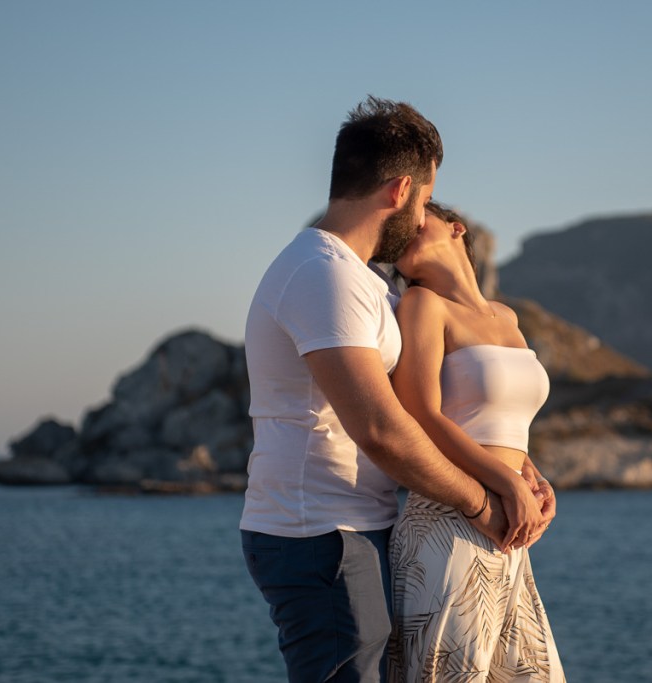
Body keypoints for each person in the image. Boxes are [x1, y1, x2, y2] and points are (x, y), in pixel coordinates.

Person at [239, 96, 552, 683]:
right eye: (426, 198)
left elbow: (450, 406)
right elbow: (383, 429)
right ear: (401, 190)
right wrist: (482, 504)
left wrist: (522, 472)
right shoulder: (323, 274)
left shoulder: (367, 284)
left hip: (359, 525)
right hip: (319, 531)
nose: (425, 212)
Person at [388, 201, 565, 682]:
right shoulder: (422, 305)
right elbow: (420, 414)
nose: (403, 230)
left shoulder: (507, 317)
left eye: (415, 219)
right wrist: (509, 484)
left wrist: (533, 478)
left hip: (506, 524)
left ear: (456, 228)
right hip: (449, 517)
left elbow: (499, 420)